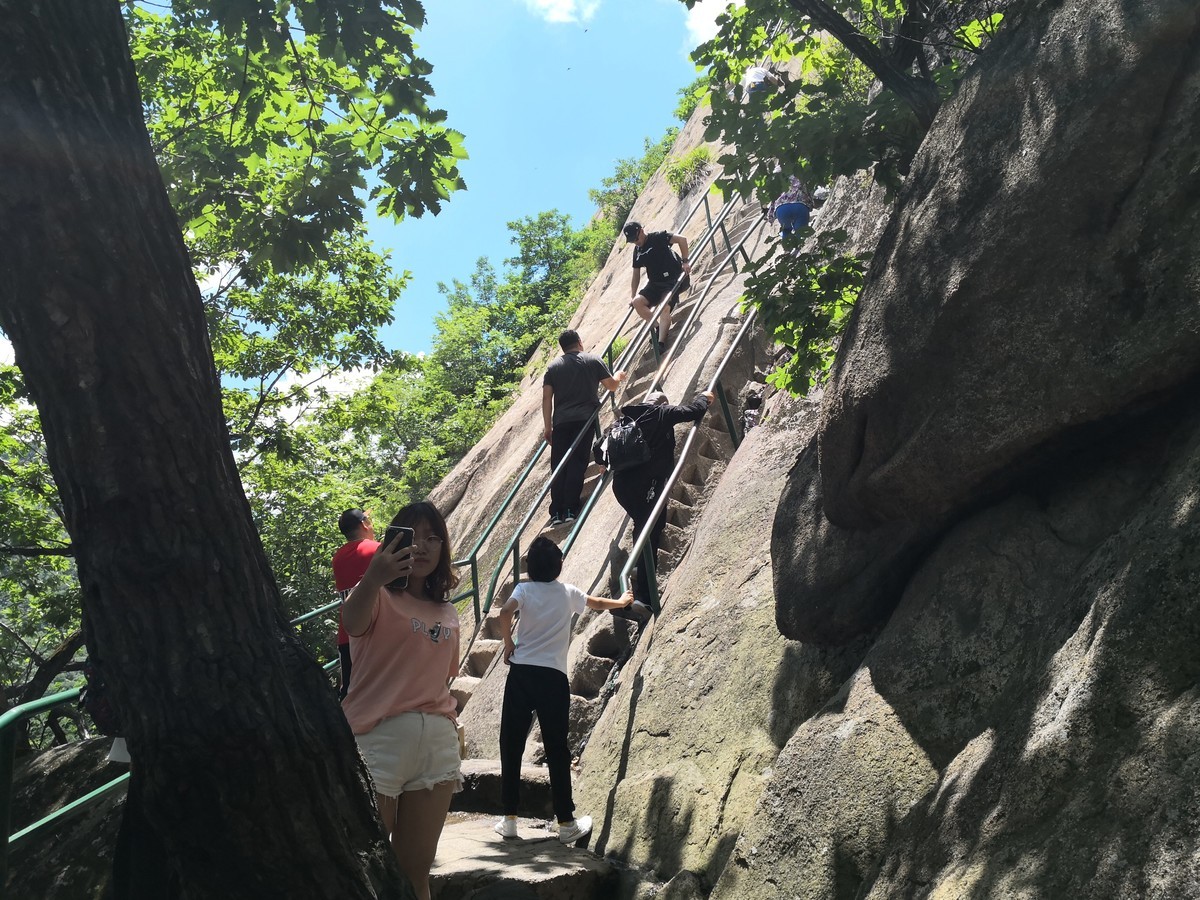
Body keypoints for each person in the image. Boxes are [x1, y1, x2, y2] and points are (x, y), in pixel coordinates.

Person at [341, 501, 462, 900]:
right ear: (395, 540)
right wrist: (372, 580)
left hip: (436, 750)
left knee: (415, 876)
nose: (424, 547)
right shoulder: (375, 598)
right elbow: (352, 622)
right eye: (415, 536)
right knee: (365, 872)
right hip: (378, 742)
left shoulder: (448, 612)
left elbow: (446, 675)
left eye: (434, 538)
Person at [493, 536, 634, 843]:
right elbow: (596, 604)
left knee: (511, 742)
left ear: (529, 567)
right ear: (559, 565)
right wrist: (621, 603)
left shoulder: (524, 589)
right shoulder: (566, 592)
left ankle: (510, 819)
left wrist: (509, 644)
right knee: (557, 749)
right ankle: (567, 824)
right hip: (553, 677)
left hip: (522, 674)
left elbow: (505, 612)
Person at [600, 389, 715, 620]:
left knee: (645, 523)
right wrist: (706, 397)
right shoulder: (661, 413)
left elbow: (599, 452)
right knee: (650, 531)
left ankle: (640, 565)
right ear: (661, 403)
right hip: (647, 485)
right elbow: (694, 410)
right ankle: (643, 597)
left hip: (622, 488)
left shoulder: (622, 422)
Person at [543, 329, 627, 527]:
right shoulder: (592, 360)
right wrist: (619, 376)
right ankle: (571, 508)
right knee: (577, 462)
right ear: (580, 342)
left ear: (563, 348)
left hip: (561, 422)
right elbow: (611, 386)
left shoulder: (553, 367)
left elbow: (547, 398)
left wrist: (548, 427)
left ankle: (556, 512)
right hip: (584, 419)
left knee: (559, 465)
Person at [624, 222, 692, 355]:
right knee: (637, 302)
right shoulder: (637, 251)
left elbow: (682, 239)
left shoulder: (658, 237)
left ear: (641, 231)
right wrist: (632, 296)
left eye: (636, 239)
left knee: (664, 308)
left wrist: (685, 261)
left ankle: (660, 343)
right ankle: (658, 326)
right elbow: (636, 274)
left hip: (672, 280)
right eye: (632, 241)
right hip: (654, 284)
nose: (635, 243)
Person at [332, 507, 378, 700]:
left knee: (351, 694)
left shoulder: (337, 558)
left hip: (346, 636)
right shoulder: (377, 550)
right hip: (376, 631)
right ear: (364, 524)